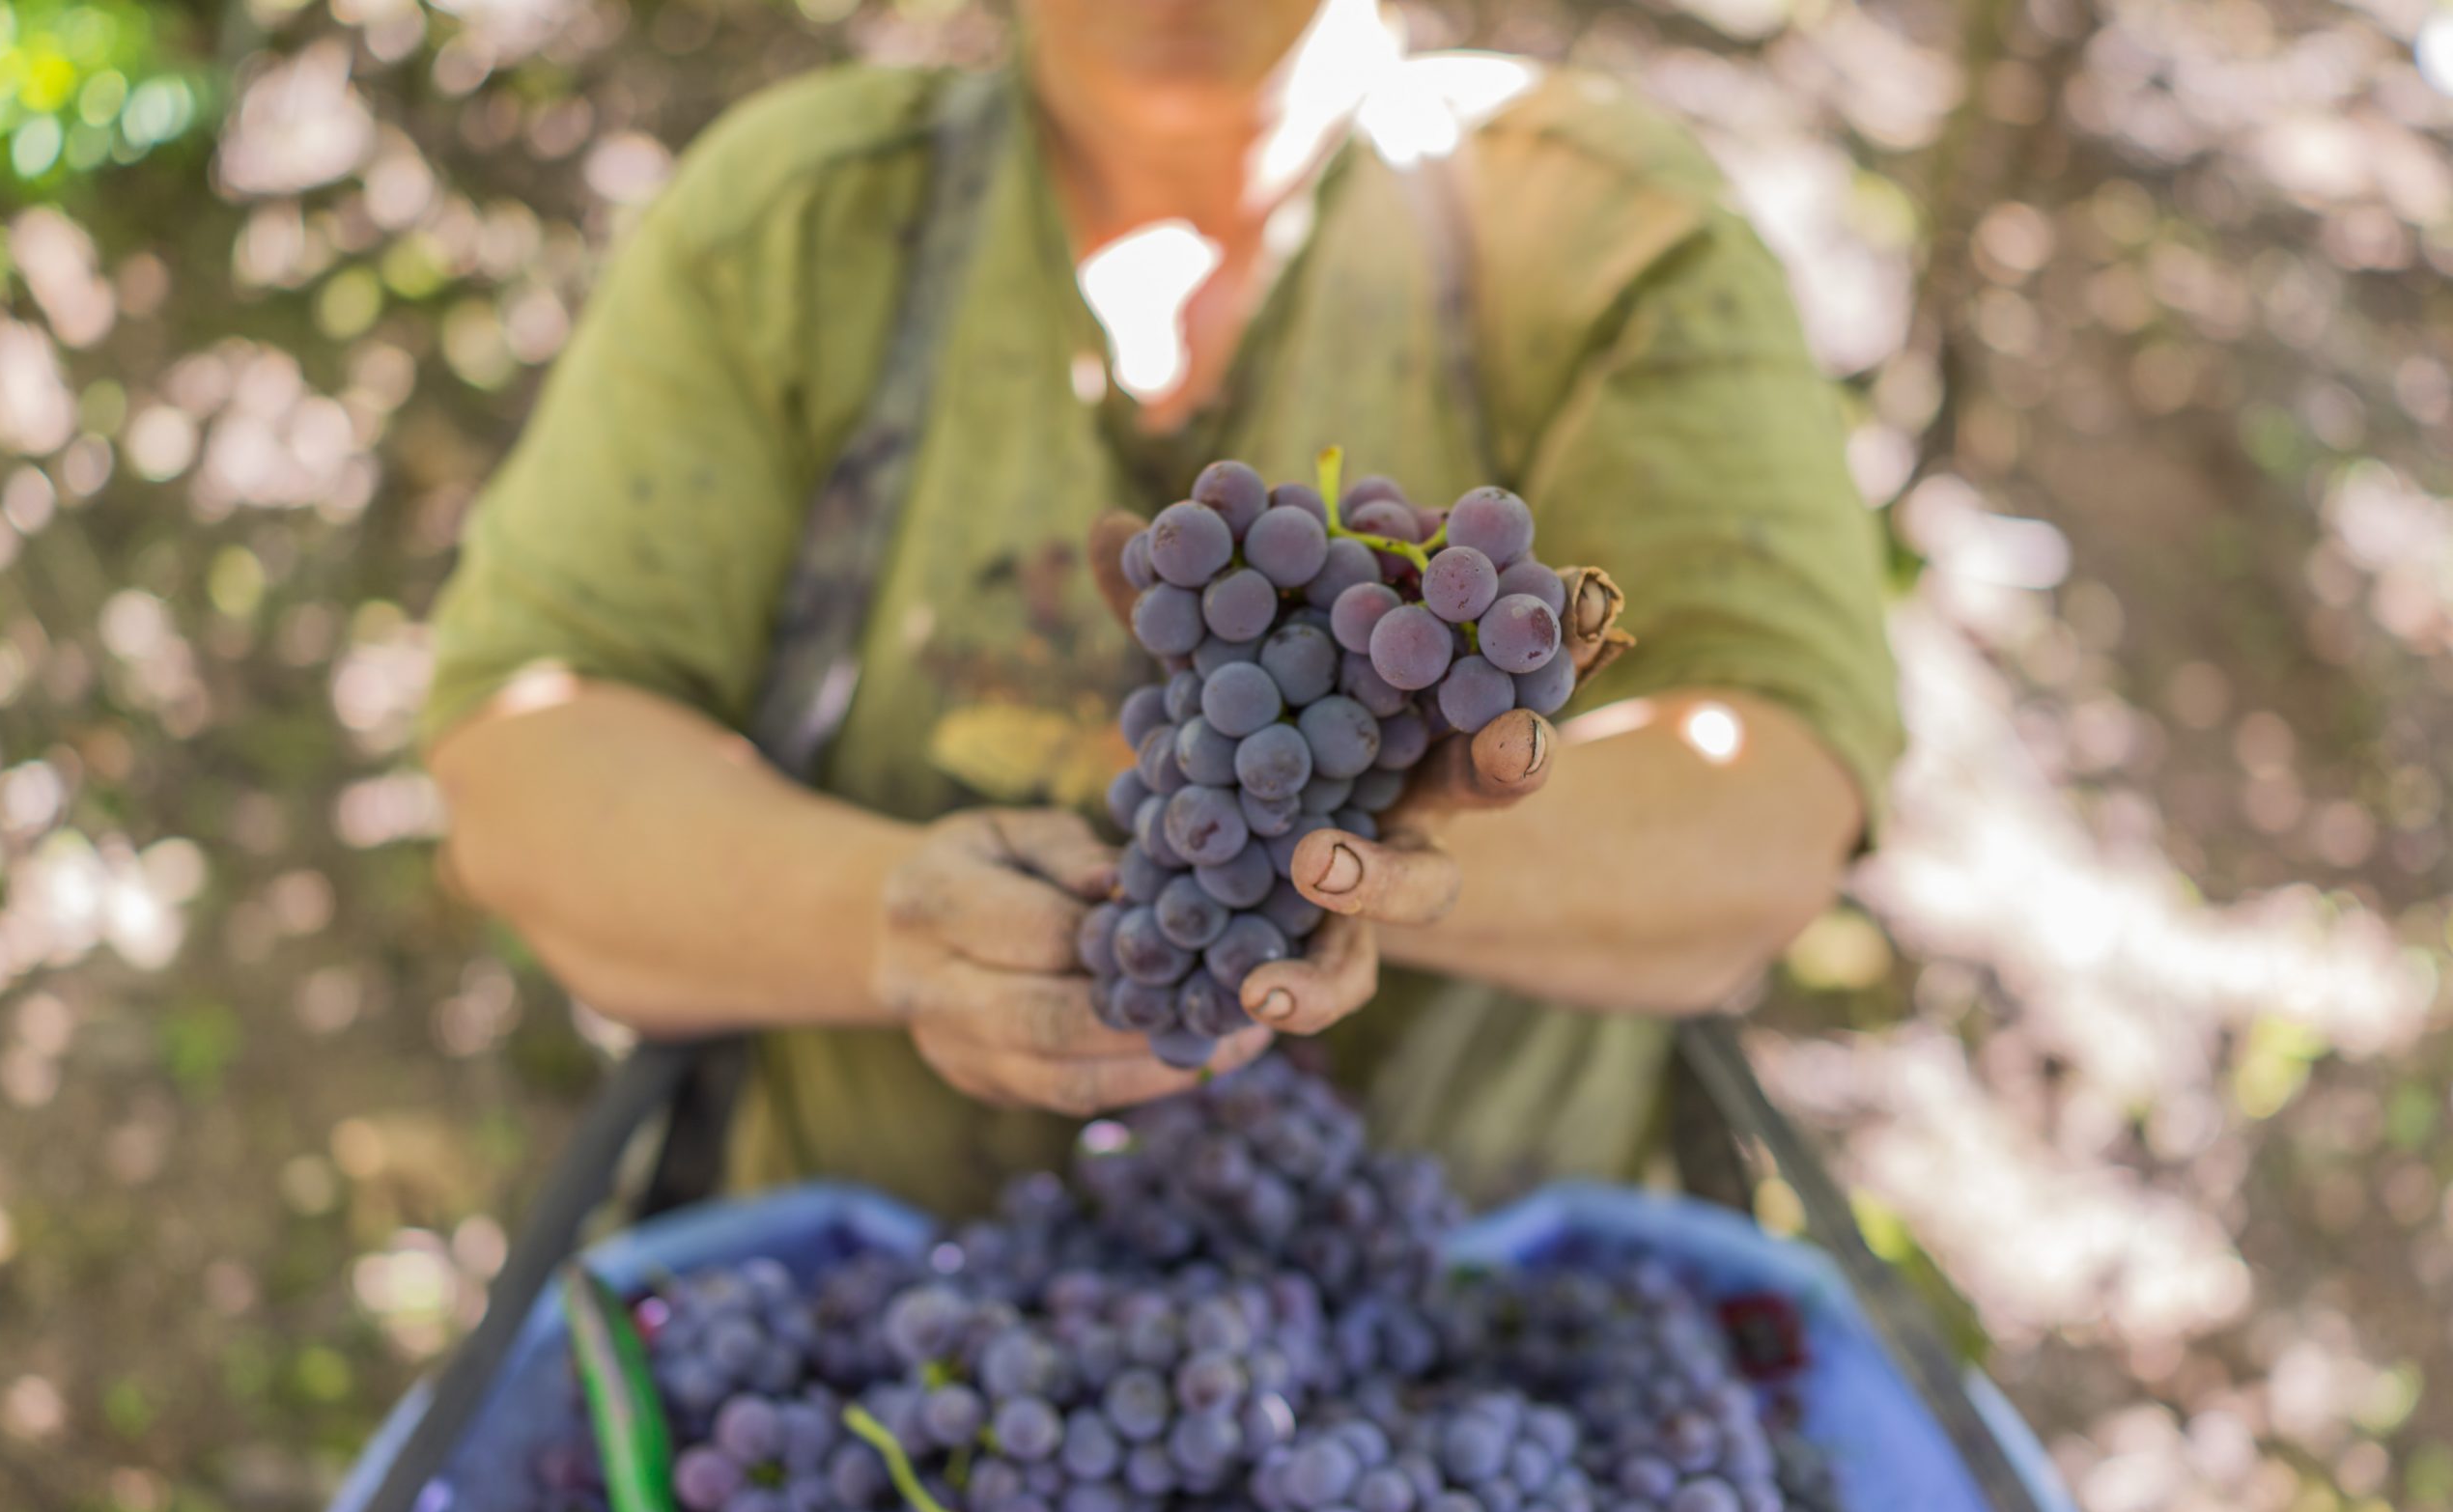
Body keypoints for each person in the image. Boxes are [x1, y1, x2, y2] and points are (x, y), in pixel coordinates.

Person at [421, 0, 1900, 1218]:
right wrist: (888, 919)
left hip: (1459, 1322)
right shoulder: (801, 226)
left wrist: (1391, 850)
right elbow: (527, 769)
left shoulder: (1596, 231)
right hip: (871, 1327)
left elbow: (1772, 797)